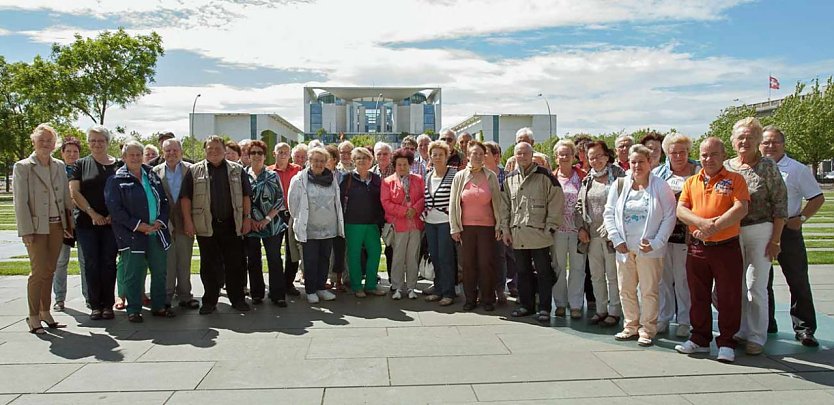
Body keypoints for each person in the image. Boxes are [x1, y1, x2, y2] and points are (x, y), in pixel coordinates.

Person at [675, 137, 749, 363]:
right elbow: (681, 209)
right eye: (704, 155)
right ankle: (700, 339)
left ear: (723, 155)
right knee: (698, 295)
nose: (708, 159)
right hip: (698, 248)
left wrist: (714, 227)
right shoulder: (692, 181)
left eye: (713, 154)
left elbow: (741, 208)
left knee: (728, 295)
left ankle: (727, 342)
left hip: (725, 247)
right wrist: (701, 223)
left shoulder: (735, 179)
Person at [724, 117, 788, 355]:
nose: (745, 141)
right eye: (741, 137)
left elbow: (780, 204)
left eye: (750, 137)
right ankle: (740, 329)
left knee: (756, 286)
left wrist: (776, 240)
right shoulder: (727, 167)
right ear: (733, 141)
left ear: (758, 141)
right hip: (731, 232)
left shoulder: (768, 167)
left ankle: (757, 336)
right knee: (734, 285)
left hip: (761, 230)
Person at [602, 144, 676, 346]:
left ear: (650, 162)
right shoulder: (620, 185)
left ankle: (647, 329)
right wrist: (617, 239)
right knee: (625, 289)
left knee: (649, 290)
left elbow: (670, 216)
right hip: (625, 249)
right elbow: (609, 213)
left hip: (649, 250)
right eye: (633, 162)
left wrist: (656, 242)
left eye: (641, 162)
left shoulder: (660, 186)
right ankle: (630, 325)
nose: (637, 166)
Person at [761, 126, 823, 347]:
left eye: (775, 142)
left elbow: (817, 198)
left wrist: (802, 219)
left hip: (788, 230)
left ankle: (804, 328)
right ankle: (766, 323)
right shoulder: (754, 168)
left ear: (783, 144)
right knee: (761, 281)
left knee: (797, 280)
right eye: (766, 142)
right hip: (761, 229)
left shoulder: (796, 169)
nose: (770, 146)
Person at [181, 135, 254, 314]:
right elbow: (185, 198)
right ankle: (210, 301)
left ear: (224, 150)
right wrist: (188, 222)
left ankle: (237, 299)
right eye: (210, 149)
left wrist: (246, 218)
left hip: (232, 224)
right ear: (205, 150)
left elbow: (246, 196)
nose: (214, 151)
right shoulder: (194, 171)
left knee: (235, 265)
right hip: (206, 226)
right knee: (209, 266)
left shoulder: (237, 170)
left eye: (217, 148)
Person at [14, 124, 74, 334]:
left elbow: (66, 197)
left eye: (49, 140)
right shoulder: (23, 167)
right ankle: (32, 316)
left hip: (58, 225)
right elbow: (20, 202)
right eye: (42, 140)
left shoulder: (58, 165)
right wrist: (26, 231)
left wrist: (69, 225)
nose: (46, 144)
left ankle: (45, 311)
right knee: (38, 271)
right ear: (33, 141)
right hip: (36, 228)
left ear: (55, 144)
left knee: (50, 269)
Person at [105, 141, 174, 322]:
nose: (135, 158)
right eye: (131, 155)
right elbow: (115, 210)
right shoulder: (116, 180)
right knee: (133, 273)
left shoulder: (152, 176)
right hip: (132, 234)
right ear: (124, 157)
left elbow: (164, 202)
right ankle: (134, 309)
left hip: (156, 232)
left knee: (159, 271)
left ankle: (159, 306)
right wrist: (138, 225)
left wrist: (160, 221)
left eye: (138, 154)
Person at [501, 142, 563, 323]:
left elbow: (556, 201)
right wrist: (505, 229)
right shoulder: (509, 179)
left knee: (543, 272)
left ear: (532, 154)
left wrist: (550, 227)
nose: (522, 157)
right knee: (522, 271)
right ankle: (526, 305)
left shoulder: (546, 177)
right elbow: (504, 206)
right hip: (517, 234)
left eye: (525, 153)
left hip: (539, 235)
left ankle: (544, 307)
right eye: (518, 154)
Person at [70, 125, 120, 321]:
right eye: (93, 140)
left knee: (109, 262)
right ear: (88, 143)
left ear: (108, 142)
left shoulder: (118, 165)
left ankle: (108, 304)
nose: (97, 144)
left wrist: (112, 215)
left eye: (101, 140)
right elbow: (74, 192)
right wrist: (92, 213)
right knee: (91, 263)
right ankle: (95, 305)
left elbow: (124, 192)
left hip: (112, 223)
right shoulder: (80, 164)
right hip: (86, 222)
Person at [655, 133, 700, 337]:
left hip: (689, 234)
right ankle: (663, 317)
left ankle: (684, 320)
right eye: (674, 152)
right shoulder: (658, 174)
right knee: (663, 278)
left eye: (683, 152)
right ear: (667, 154)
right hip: (663, 233)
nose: (679, 156)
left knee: (683, 279)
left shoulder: (699, 172)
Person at [576, 141, 625, 327]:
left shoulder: (620, 177)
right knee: (596, 275)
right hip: (591, 236)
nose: (595, 160)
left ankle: (614, 311)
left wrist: (611, 227)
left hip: (612, 236)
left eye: (598, 156)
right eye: (591, 157)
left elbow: (622, 204)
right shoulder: (587, 179)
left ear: (607, 156)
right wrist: (580, 227)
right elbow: (580, 206)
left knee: (612, 275)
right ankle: (600, 309)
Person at [287, 147, 344, 304]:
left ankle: (321, 288)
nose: (319, 164)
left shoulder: (331, 179)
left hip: (328, 228)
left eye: (322, 161)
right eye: (315, 160)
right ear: (309, 161)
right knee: (310, 260)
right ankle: (311, 290)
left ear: (326, 163)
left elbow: (336, 202)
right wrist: (300, 219)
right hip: (309, 229)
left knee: (325, 259)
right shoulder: (299, 179)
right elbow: (292, 204)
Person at [450, 141, 502, 311]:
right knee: (468, 264)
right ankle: (470, 299)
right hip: (466, 227)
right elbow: (453, 203)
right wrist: (455, 227)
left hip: (487, 227)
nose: (478, 157)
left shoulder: (491, 176)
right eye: (474, 153)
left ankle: (487, 299)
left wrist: (499, 226)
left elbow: (498, 203)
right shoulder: (460, 177)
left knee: (486, 263)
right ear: (468, 156)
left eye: (481, 154)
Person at [152, 139, 199, 310]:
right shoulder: (155, 172)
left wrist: (191, 221)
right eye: (168, 151)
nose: (171, 153)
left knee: (185, 261)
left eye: (175, 150)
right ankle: (166, 296)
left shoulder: (191, 170)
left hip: (186, 220)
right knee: (168, 262)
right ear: (162, 152)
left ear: (181, 151)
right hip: (165, 223)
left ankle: (185, 296)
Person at [243, 140, 289, 307]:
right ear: (248, 156)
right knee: (253, 260)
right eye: (253, 153)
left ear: (265, 156)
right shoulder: (242, 174)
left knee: (274, 259)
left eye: (259, 153)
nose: (256, 156)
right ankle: (257, 293)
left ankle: (278, 294)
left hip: (272, 224)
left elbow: (279, 199)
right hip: (250, 224)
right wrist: (250, 219)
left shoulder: (272, 175)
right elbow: (240, 200)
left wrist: (266, 219)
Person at [340, 147, 386, 297]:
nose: (361, 161)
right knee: (353, 254)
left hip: (372, 223)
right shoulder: (346, 179)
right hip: (353, 223)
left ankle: (371, 285)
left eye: (365, 158)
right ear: (354, 161)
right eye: (358, 158)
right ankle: (357, 286)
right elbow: (340, 201)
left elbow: (382, 201)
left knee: (375, 252)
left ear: (370, 160)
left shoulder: (377, 179)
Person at [381, 148, 426, 300]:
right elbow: (385, 202)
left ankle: (412, 287)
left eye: (405, 164)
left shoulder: (418, 179)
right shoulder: (387, 182)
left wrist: (415, 209)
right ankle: (397, 287)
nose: (402, 167)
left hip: (415, 224)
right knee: (398, 257)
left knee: (412, 257)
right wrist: (403, 211)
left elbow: (423, 198)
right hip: (398, 225)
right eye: (399, 164)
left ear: (410, 164)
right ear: (395, 165)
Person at [549, 140, 587, 319]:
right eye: (560, 154)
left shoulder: (583, 177)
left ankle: (576, 304)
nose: (564, 157)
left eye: (567, 154)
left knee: (578, 268)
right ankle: (560, 304)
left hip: (578, 230)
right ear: (556, 158)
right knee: (558, 267)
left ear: (574, 157)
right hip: (558, 230)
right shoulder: (551, 177)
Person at [53, 137, 88, 311]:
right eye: (68, 151)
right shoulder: (56, 171)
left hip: (82, 221)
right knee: (60, 261)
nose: (72, 155)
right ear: (62, 153)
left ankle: (89, 297)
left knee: (84, 260)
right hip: (62, 222)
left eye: (75, 151)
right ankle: (59, 298)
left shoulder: (84, 169)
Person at [423, 141, 458, 306]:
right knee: (435, 257)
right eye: (434, 154)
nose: (437, 157)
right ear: (430, 156)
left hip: (446, 222)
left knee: (446, 258)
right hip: (430, 222)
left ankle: (448, 292)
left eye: (440, 154)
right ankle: (438, 289)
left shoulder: (455, 174)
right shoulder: (428, 175)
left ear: (447, 156)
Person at [268, 142, 303, 296]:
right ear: (274, 154)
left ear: (290, 155)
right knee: (274, 253)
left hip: (292, 215)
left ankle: (288, 283)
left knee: (292, 252)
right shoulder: (268, 171)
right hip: (274, 216)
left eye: (286, 152)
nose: (283, 155)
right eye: (280, 152)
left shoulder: (298, 170)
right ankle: (276, 286)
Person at [484, 141, 514, 302]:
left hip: (501, 222)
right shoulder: (478, 175)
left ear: (496, 157)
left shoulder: (506, 176)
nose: (482, 156)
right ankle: (484, 289)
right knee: (483, 257)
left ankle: (500, 289)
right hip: (481, 221)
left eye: (486, 153)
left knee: (500, 256)